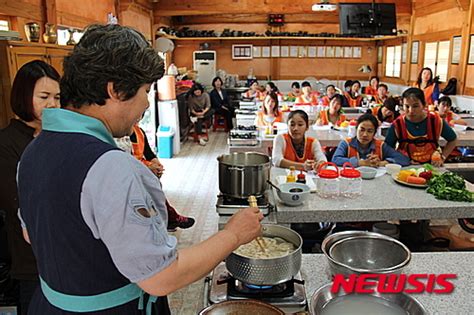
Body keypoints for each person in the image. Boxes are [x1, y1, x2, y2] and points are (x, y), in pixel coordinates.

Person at [16, 24, 262, 315]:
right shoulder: (109, 166)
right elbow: (162, 277)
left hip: (49, 305)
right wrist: (233, 235)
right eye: (145, 91)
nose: (146, 104)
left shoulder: (34, 150)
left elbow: (33, 234)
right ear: (114, 90)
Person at [0, 60, 60, 314]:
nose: (52, 104)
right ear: (24, 97)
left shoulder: (58, 135)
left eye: (58, 97)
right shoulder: (7, 143)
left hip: (64, 254)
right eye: (44, 96)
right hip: (31, 262)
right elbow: (15, 203)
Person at [130, 124, 195, 231]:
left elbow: (149, 154)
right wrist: (149, 167)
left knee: (154, 186)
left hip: (142, 170)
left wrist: (157, 165)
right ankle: (171, 218)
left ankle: (169, 219)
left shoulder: (139, 131)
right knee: (152, 189)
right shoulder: (119, 136)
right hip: (134, 173)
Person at [385, 87, 457, 166]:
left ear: (424, 105)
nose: (411, 110)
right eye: (407, 106)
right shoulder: (397, 124)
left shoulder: (436, 121)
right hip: (405, 167)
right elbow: (387, 149)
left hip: (432, 166)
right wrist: (401, 159)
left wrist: (442, 157)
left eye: (415, 106)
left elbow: (453, 140)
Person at [332, 114, 410, 167]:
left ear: (374, 133)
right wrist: (359, 162)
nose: (365, 134)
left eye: (369, 131)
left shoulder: (381, 146)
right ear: (356, 130)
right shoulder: (346, 143)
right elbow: (335, 159)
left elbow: (404, 159)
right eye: (361, 130)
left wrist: (382, 163)